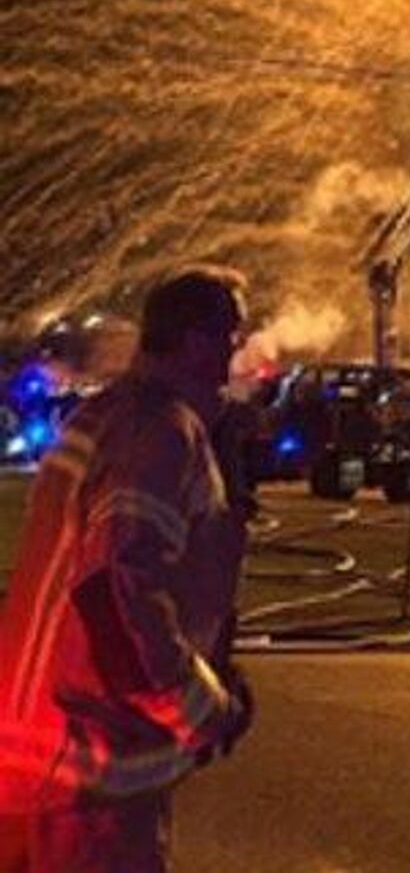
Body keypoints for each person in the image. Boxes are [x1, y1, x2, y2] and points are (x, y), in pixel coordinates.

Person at [0, 270, 254, 871]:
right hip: (95, 775)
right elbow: (116, 586)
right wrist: (201, 709)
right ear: (196, 342)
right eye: (230, 336)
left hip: (33, 757)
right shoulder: (163, 432)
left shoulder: (101, 417)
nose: (234, 354)